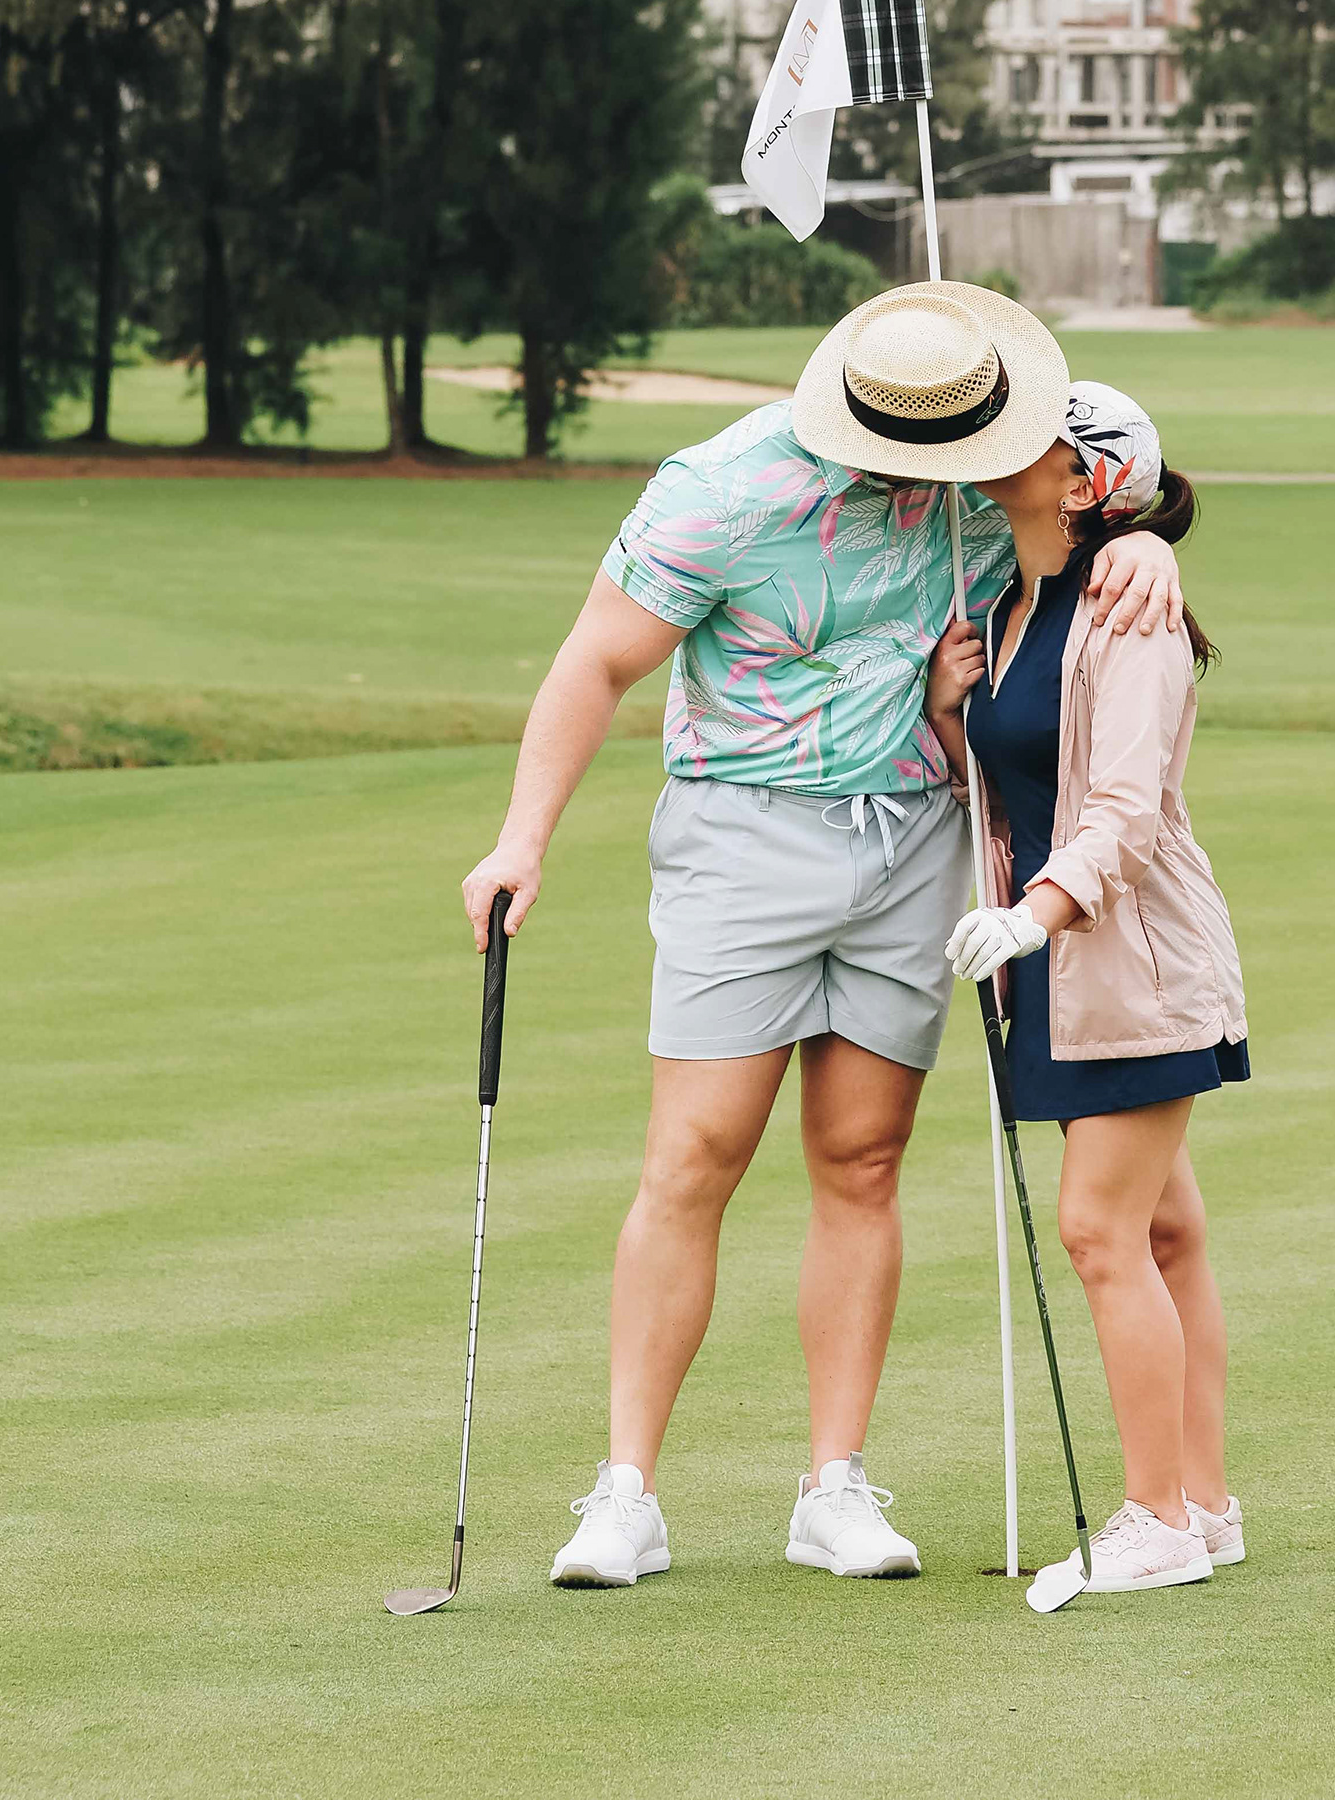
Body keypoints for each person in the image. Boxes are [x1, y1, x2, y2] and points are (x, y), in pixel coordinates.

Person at [460, 284, 1187, 1588]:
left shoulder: (982, 479)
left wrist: (1150, 547)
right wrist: (523, 839)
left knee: (861, 1160)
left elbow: (1101, 503)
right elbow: (595, 664)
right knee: (694, 1157)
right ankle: (625, 1494)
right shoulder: (724, 490)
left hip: (916, 841)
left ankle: (833, 1488)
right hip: (742, 839)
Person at [923, 381, 1248, 1611]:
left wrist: (1032, 915)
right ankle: (1204, 1504)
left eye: (1036, 446)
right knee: (1164, 1232)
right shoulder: (1007, 607)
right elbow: (1016, 782)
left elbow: (1120, 812)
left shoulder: (1130, 606)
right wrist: (952, 713)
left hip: (1126, 957)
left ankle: (1156, 1518)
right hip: (1053, 959)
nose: (1001, 457)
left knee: (1100, 1232)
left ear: (1087, 481)